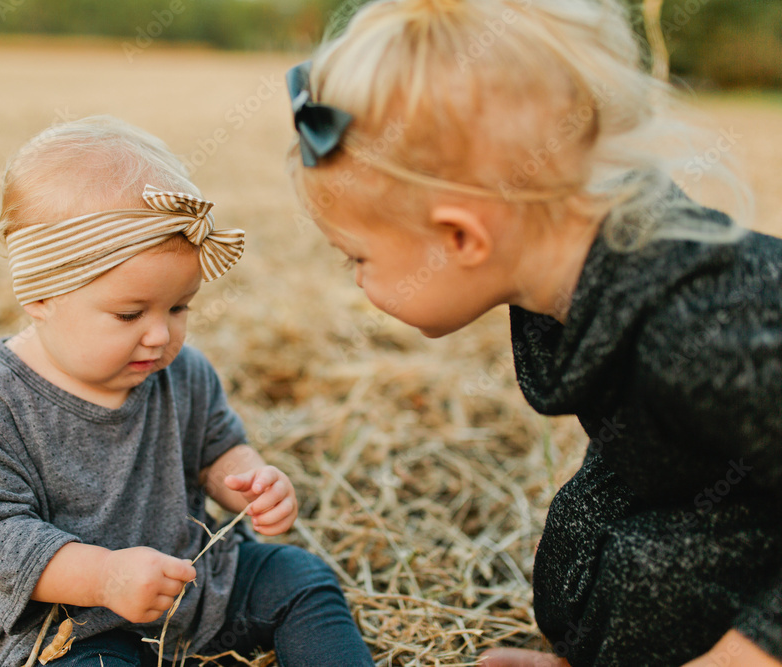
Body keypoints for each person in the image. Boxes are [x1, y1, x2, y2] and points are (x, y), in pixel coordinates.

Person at [284, 1, 782, 666]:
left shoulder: (698, 326)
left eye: (358, 257)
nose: (355, 281)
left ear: (461, 236)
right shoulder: (572, 293)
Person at [0, 116, 374, 667]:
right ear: (41, 295)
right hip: (69, 619)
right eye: (130, 312)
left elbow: (216, 449)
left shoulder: (183, 372)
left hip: (193, 582)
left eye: (179, 307)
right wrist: (103, 578)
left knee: (300, 577)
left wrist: (251, 484)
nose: (160, 334)